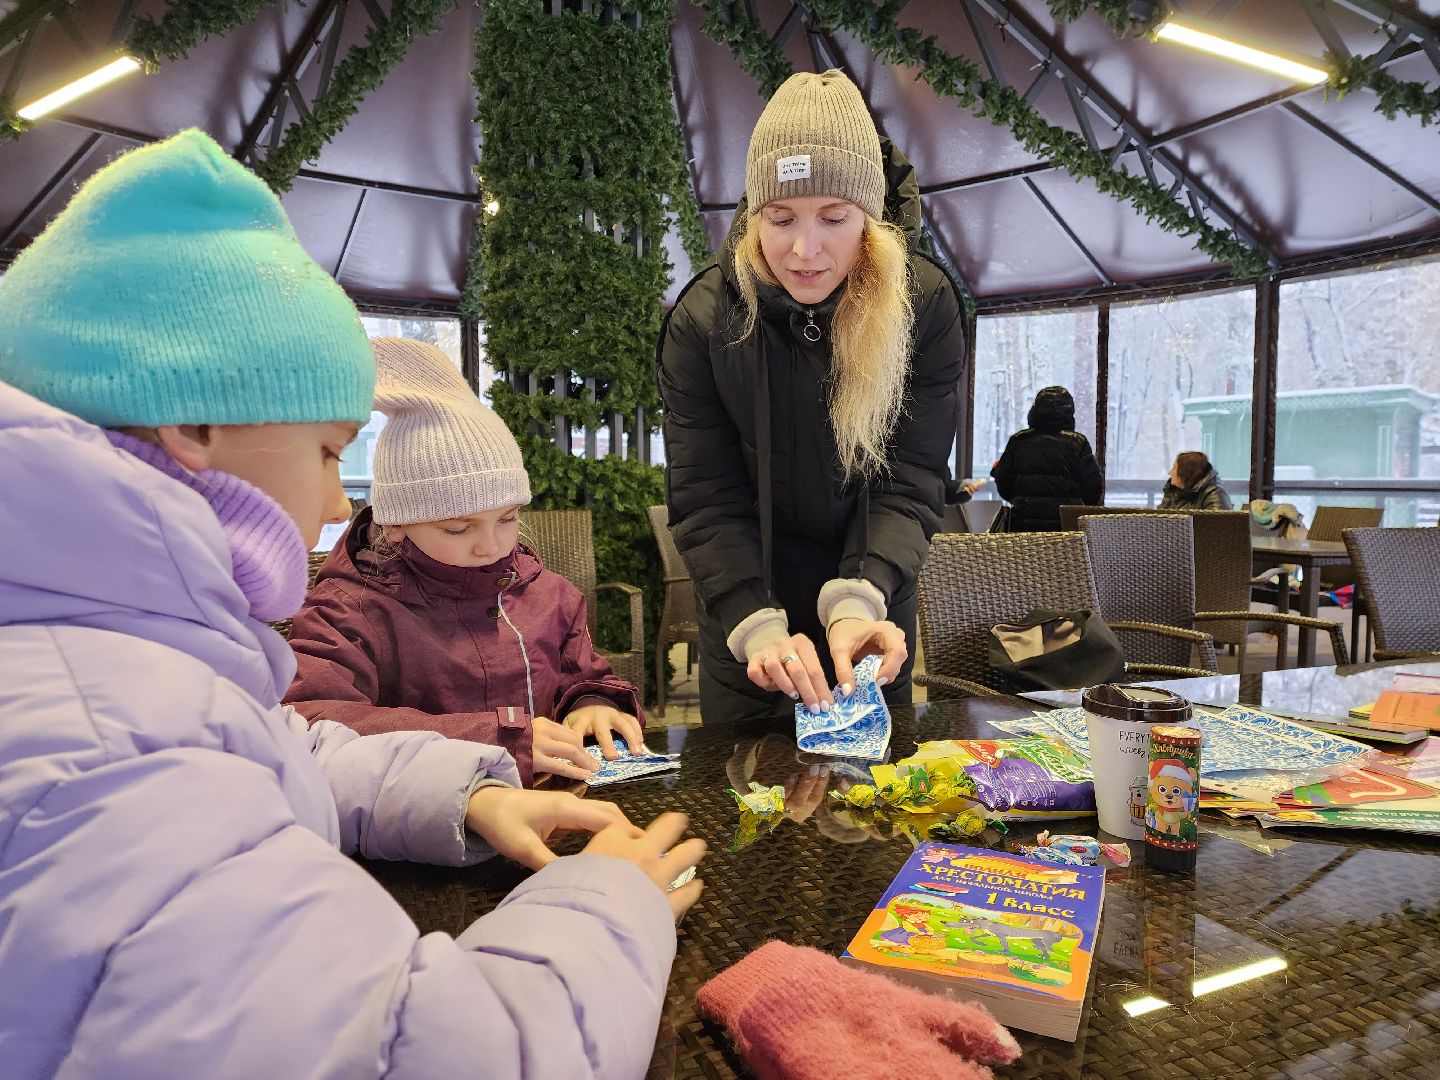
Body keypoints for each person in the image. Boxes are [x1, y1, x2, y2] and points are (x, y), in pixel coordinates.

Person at [0, 130, 703, 1078]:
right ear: (195, 424)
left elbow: (277, 750)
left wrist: (478, 790)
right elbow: (424, 1054)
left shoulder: (106, 676)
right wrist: (611, 904)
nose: (338, 503)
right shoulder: (107, 757)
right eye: (330, 453)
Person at [659, 70, 965, 725]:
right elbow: (705, 495)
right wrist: (751, 620)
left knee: (876, 810)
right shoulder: (704, 319)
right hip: (747, 615)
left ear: (870, 218)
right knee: (744, 810)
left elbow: (911, 478)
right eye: (780, 217)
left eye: (833, 218)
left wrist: (861, 597)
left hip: (872, 604)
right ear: (752, 215)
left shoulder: (925, 307)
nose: (805, 250)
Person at [285, 337, 645, 784]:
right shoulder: (346, 611)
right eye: (458, 528)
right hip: (424, 827)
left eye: (508, 518)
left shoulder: (548, 595)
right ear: (397, 523)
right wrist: (492, 738)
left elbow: (581, 677)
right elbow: (313, 722)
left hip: (553, 810)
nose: (491, 545)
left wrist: (594, 705)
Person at [990, 385, 1103, 531]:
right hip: (1066, 526)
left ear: (1035, 412)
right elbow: (1093, 487)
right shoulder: (1078, 443)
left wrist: (1020, 500)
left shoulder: (1018, 441)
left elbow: (1004, 482)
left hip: (1024, 524)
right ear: (1069, 413)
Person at [1159, 450, 1233, 510]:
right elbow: (1159, 520)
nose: (1170, 472)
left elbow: (1219, 525)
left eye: (1174, 468)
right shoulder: (1173, 490)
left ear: (1185, 472)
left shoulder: (1214, 493)